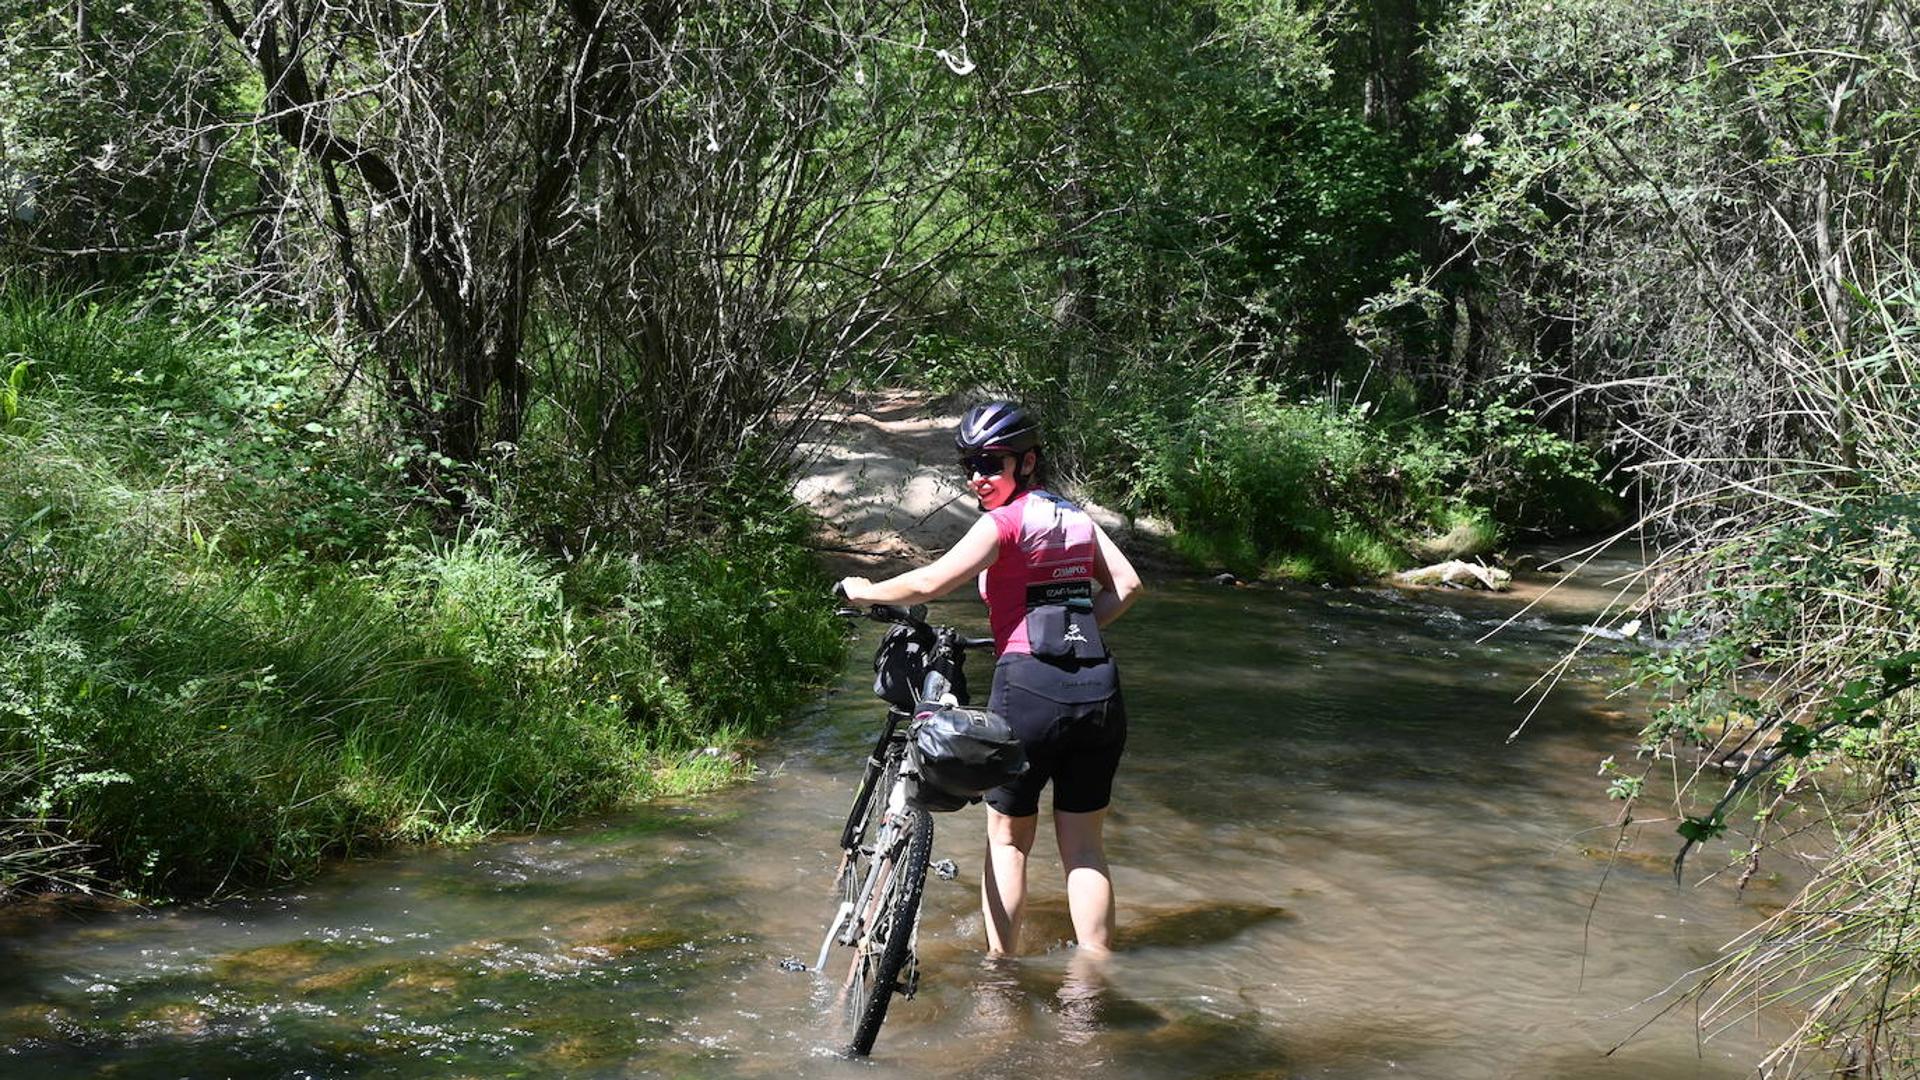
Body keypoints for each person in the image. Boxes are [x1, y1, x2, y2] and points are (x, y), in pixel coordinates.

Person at [837, 400, 1143, 957]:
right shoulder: (1076, 518)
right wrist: (1077, 628)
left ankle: (1001, 977)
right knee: (1085, 851)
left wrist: (865, 591)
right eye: (971, 465)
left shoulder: (1003, 523)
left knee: (1008, 842)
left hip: (1030, 690)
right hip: (1100, 692)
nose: (979, 477)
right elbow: (1125, 586)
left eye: (992, 463)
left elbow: (931, 582)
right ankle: (1094, 985)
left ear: (1026, 462)